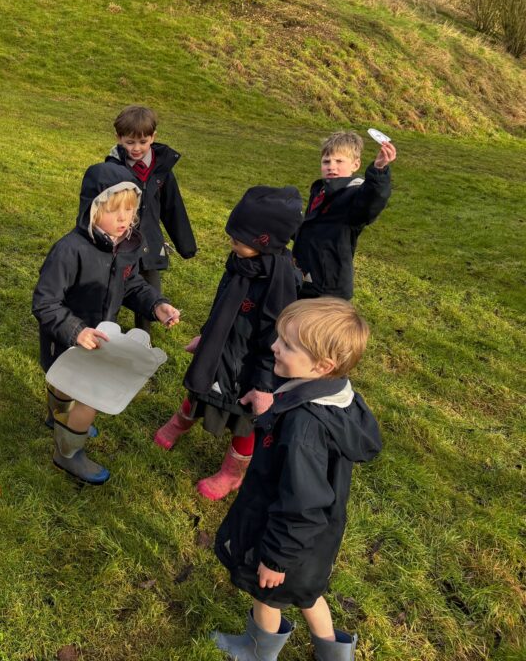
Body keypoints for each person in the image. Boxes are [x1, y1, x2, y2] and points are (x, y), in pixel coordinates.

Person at [211, 298, 382, 661]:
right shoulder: (337, 394)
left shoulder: (305, 427)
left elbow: (302, 502)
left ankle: (257, 651)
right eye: (279, 338)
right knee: (308, 594)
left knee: (266, 593)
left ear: (322, 365)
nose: (275, 346)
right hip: (317, 541)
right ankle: (334, 655)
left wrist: (275, 558)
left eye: (287, 345)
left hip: (287, 536)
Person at [33, 163, 181, 484]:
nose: (125, 218)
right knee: (85, 397)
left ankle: (60, 421)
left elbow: (130, 285)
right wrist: (75, 331)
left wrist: (156, 304)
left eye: (130, 210)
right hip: (67, 338)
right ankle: (68, 453)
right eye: (115, 211)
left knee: (78, 393)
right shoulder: (69, 251)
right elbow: (45, 302)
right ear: (93, 208)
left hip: (100, 339)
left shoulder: (124, 246)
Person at [154, 186, 303, 500]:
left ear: (264, 240)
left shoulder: (279, 283)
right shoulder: (241, 262)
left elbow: (276, 338)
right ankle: (180, 422)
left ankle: (233, 472)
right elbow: (223, 304)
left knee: (242, 419)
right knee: (200, 388)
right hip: (222, 348)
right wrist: (208, 337)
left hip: (250, 367)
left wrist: (263, 386)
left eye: (240, 238)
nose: (231, 242)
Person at [104, 105, 196, 332]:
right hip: (119, 243)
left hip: (150, 245)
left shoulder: (162, 169)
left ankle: (142, 338)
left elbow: (173, 207)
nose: (136, 148)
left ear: (153, 137)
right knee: (110, 290)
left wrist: (186, 246)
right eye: (129, 142)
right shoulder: (111, 168)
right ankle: (104, 332)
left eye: (143, 142)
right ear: (119, 138)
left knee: (151, 295)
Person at [293, 130, 395, 300]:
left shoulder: (354, 194)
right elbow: (313, 225)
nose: (331, 166)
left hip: (329, 286)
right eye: (326, 161)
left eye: (339, 161)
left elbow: (371, 201)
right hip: (305, 274)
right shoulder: (321, 190)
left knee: (323, 326)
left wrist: (378, 170)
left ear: (355, 165)